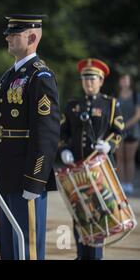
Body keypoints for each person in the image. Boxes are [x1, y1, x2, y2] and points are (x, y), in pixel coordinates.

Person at [0, 14, 60, 260]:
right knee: (9, 246)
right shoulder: (10, 75)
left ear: (31, 37)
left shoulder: (40, 76)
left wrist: (35, 179)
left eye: (14, 33)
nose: (8, 37)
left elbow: (47, 134)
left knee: (27, 248)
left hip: (26, 174)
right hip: (8, 170)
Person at [60, 58, 125, 260]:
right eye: (85, 79)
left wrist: (109, 145)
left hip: (100, 169)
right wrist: (64, 150)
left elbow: (119, 131)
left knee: (98, 212)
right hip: (77, 169)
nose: (88, 83)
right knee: (79, 212)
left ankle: (95, 256)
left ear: (101, 81)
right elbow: (64, 133)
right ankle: (81, 255)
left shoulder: (110, 104)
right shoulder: (72, 105)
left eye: (92, 79)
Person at [115, 74, 140, 195]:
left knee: (129, 159)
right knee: (119, 158)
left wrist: (125, 125)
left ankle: (128, 184)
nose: (124, 82)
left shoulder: (136, 96)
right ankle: (121, 183)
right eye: (122, 79)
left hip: (132, 131)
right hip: (118, 132)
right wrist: (118, 127)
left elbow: (137, 115)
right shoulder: (116, 96)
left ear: (130, 82)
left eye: (126, 79)